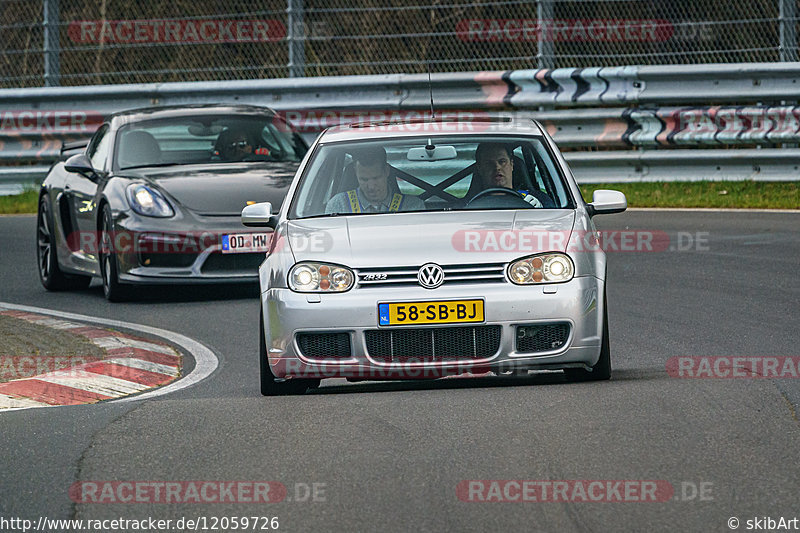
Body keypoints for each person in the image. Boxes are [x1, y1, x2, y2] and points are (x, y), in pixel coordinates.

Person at [325, 146, 425, 214]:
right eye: (364, 179)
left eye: (376, 178)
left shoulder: (412, 207)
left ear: (387, 171)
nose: (371, 186)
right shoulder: (339, 206)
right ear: (355, 173)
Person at [471, 142, 552, 207]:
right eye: (489, 163)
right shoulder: (466, 206)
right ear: (479, 168)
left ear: (512, 164)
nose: (497, 167)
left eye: (502, 161)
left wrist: (540, 210)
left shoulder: (539, 199)